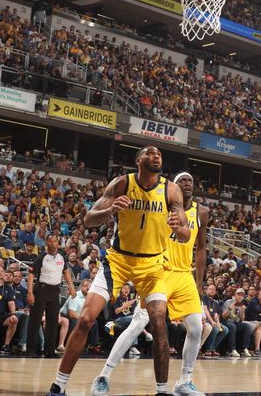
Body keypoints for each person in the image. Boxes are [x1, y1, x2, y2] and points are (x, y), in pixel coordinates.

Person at [46, 146, 189, 396]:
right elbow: (89, 219)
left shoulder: (170, 190)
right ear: (139, 160)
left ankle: (162, 391)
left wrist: (179, 228)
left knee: (158, 322)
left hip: (153, 265)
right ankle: (58, 386)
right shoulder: (122, 184)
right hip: (119, 262)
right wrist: (110, 211)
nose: (156, 156)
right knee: (86, 320)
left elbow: (186, 235)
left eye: (159, 155)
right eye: (150, 153)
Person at [91, 171, 208, 396]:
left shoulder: (201, 212)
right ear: (173, 186)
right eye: (181, 180)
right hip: (159, 270)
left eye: (190, 181)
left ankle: (184, 380)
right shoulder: (162, 202)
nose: (186, 184)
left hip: (184, 275)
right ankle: (104, 375)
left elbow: (201, 248)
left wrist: (199, 282)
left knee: (196, 327)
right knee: (138, 324)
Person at [27, 233, 76, 357]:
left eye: (55, 241)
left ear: (58, 243)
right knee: (35, 321)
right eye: (50, 241)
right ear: (46, 243)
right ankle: (31, 350)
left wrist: (71, 287)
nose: (53, 244)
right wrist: (30, 292)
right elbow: (31, 274)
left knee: (53, 322)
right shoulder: (42, 257)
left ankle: (49, 351)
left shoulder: (61, 257)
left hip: (55, 291)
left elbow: (66, 272)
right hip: (41, 290)